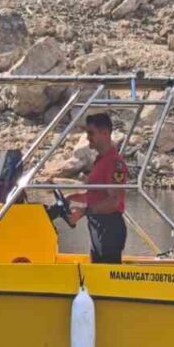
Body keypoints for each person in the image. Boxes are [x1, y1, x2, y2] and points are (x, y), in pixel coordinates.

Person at [69, 112, 128, 264]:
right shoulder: (100, 161)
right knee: (96, 273)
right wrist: (69, 199)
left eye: (91, 133)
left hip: (108, 228)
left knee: (106, 277)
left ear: (105, 133)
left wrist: (83, 211)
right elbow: (95, 194)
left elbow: (113, 201)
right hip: (97, 226)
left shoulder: (115, 163)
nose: (88, 137)